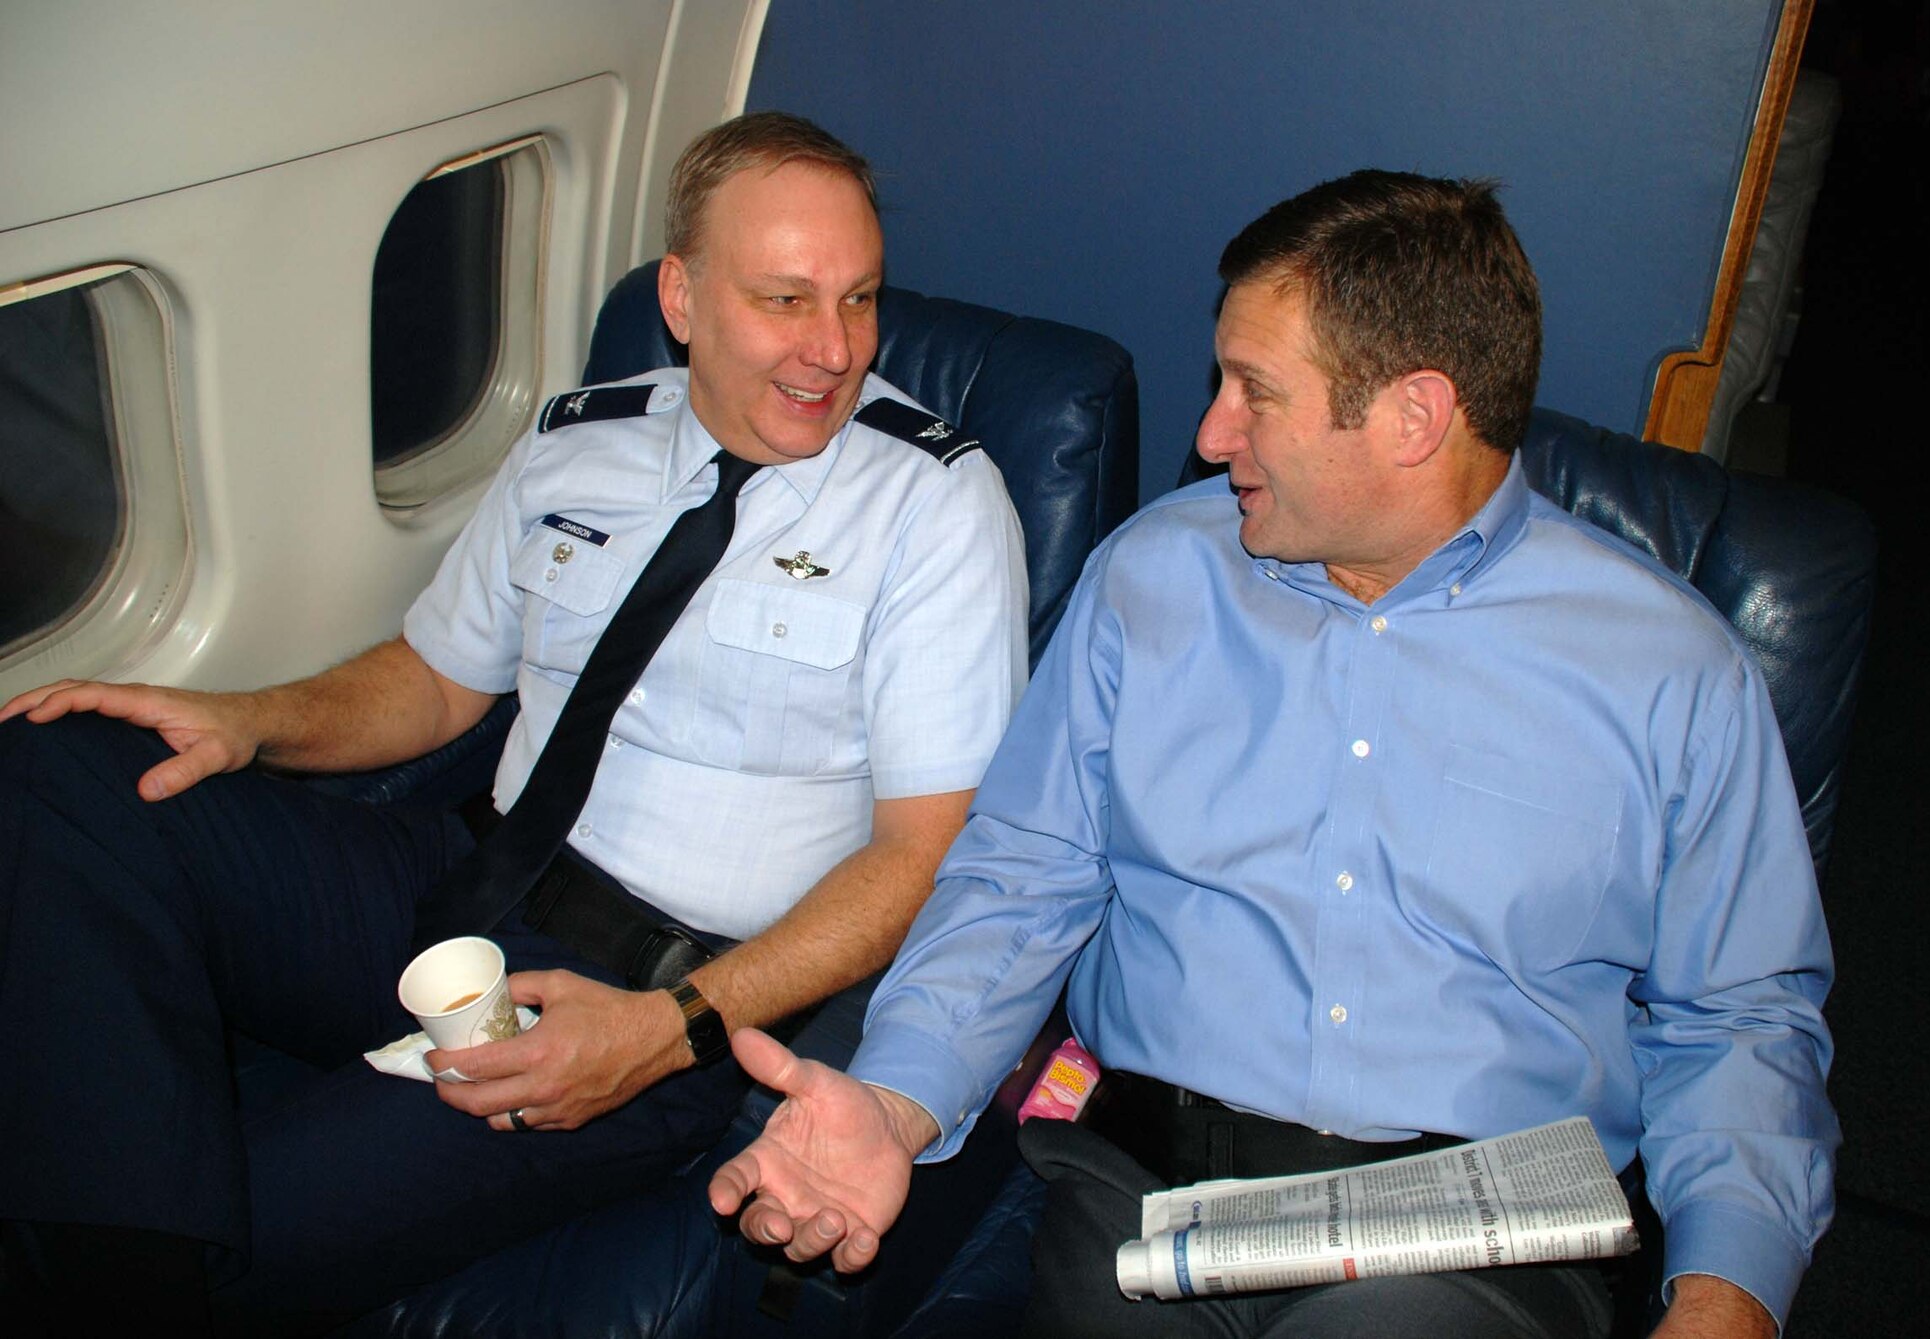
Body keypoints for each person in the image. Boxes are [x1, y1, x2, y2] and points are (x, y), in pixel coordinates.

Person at [707, 171, 1836, 1339]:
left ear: (1412, 417)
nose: (1207, 434)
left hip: (1459, 1242)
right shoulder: (1151, 580)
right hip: (1141, 1200)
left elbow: (1738, 1018)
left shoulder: (1670, 672)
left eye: (1254, 391)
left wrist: (1722, 1300)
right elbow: (1020, 878)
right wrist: (891, 1101)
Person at [0, 111, 1027, 1334]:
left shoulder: (934, 506)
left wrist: (668, 1031)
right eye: (785, 300)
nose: (832, 349)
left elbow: (921, 855)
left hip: (646, 989)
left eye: (858, 300)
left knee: (226, 1238)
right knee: (58, 772)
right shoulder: (576, 438)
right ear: (683, 297)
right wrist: (242, 719)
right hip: (454, 875)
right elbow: (436, 682)